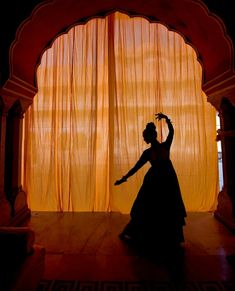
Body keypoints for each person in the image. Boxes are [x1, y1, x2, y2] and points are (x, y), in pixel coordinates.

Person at [114, 113, 186, 251]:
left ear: (149, 136)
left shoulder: (155, 150)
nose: (144, 139)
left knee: (150, 207)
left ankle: (141, 235)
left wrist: (167, 119)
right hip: (164, 180)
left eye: (144, 137)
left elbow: (135, 168)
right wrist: (166, 119)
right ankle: (164, 238)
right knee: (160, 208)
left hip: (159, 181)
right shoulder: (162, 147)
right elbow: (136, 167)